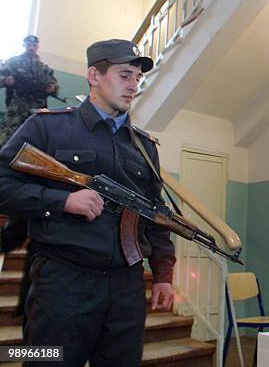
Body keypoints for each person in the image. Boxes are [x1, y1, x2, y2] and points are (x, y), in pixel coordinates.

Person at [0, 39, 175, 366]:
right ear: (94, 75)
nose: (133, 85)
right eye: (125, 75)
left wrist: (163, 273)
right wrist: (62, 201)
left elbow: (154, 212)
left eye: (137, 78)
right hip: (64, 282)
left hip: (126, 287)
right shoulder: (47, 126)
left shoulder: (144, 147)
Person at [0, 35, 59, 147]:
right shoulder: (13, 62)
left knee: (32, 142)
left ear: (37, 47)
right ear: (23, 45)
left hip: (36, 111)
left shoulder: (44, 68)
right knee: (7, 139)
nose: (31, 48)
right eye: (28, 45)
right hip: (16, 109)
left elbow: (54, 85)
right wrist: (5, 81)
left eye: (34, 45)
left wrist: (52, 88)